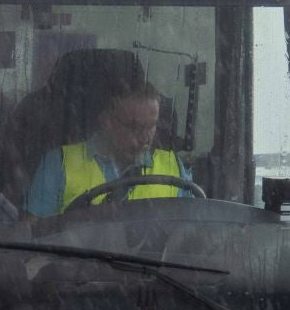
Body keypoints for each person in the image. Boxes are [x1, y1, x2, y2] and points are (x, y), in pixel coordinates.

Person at [23, 80, 190, 217]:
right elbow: (34, 234)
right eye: (135, 127)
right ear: (107, 120)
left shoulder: (174, 167)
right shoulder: (59, 164)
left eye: (151, 126)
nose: (145, 138)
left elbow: (189, 231)